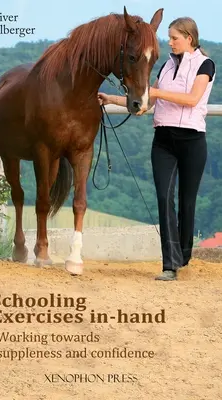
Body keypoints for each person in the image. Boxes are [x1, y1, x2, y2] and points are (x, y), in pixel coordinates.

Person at [98, 17, 216, 281]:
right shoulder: (166, 66)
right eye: (170, 37)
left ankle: (184, 257)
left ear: (189, 38)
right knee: (164, 199)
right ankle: (170, 265)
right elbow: (146, 102)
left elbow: (192, 99)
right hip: (163, 140)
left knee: (187, 202)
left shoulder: (205, 64)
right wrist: (113, 99)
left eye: (174, 38)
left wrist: (157, 93)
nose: (170, 42)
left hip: (192, 140)